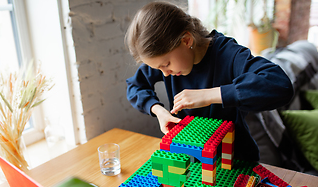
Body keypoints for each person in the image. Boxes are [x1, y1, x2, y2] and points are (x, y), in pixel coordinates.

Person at [125, 1, 294, 162]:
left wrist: (211, 94)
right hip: (190, 157)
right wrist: (159, 111)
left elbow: (280, 84)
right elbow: (135, 86)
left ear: (186, 40)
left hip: (234, 159)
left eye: (166, 64)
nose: (165, 74)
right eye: (158, 69)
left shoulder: (227, 54)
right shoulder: (164, 63)